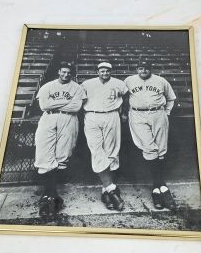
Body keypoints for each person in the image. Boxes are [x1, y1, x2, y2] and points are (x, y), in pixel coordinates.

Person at [34, 61, 87, 216]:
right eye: (63, 72)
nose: (66, 75)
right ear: (59, 71)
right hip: (48, 119)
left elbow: (76, 107)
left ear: (72, 73)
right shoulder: (47, 86)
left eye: (68, 72)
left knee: (62, 156)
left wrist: (54, 104)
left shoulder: (77, 88)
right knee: (44, 155)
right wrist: (65, 103)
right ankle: (50, 194)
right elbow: (44, 106)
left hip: (69, 119)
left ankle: (50, 195)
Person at [124, 61, 177, 211]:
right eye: (141, 68)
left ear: (150, 69)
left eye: (146, 68)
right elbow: (121, 96)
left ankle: (156, 188)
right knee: (149, 148)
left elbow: (171, 98)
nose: (143, 70)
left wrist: (166, 112)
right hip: (137, 114)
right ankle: (161, 186)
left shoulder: (161, 81)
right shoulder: (129, 80)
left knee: (161, 149)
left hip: (158, 113)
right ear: (137, 69)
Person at [81, 62, 128, 211]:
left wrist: (124, 112)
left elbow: (126, 97)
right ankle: (112, 190)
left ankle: (105, 191)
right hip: (92, 116)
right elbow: (80, 100)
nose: (105, 73)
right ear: (97, 71)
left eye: (107, 71)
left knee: (111, 151)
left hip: (112, 116)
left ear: (111, 71)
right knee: (97, 150)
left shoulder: (118, 83)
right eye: (102, 71)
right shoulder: (87, 84)